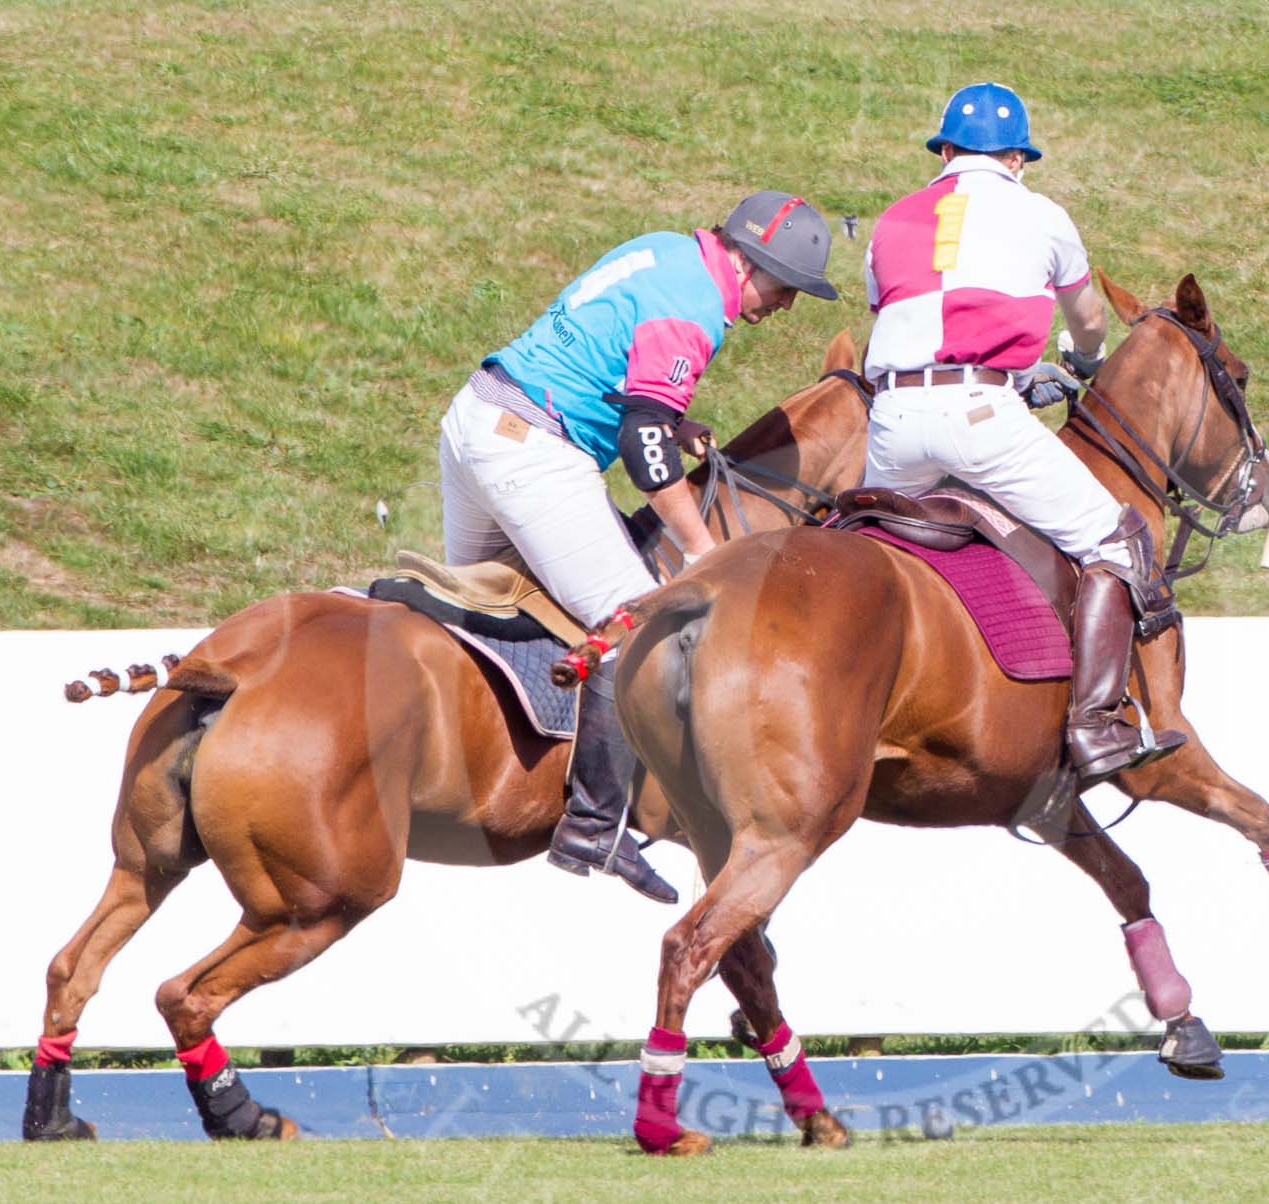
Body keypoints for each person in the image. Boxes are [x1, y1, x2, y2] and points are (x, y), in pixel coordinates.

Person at [438, 192, 840, 901]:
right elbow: (640, 444)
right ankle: (593, 829)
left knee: (478, 612)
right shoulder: (693, 312)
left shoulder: (665, 249)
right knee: (635, 626)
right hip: (532, 455)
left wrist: (671, 419)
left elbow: (612, 355)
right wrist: (698, 549)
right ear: (748, 264)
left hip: (476, 419)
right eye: (784, 289)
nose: (784, 307)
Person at [859, 83, 1183, 782]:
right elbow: (1090, 319)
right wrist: (1079, 362)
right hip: (980, 417)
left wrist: (1012, 366)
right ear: (1018, 159)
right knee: (1117, 539)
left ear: (943, 151)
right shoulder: (1042, 215)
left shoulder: (889, 222)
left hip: (889, 421)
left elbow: (920, 313)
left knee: (860, 550)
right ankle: (1096, 724)